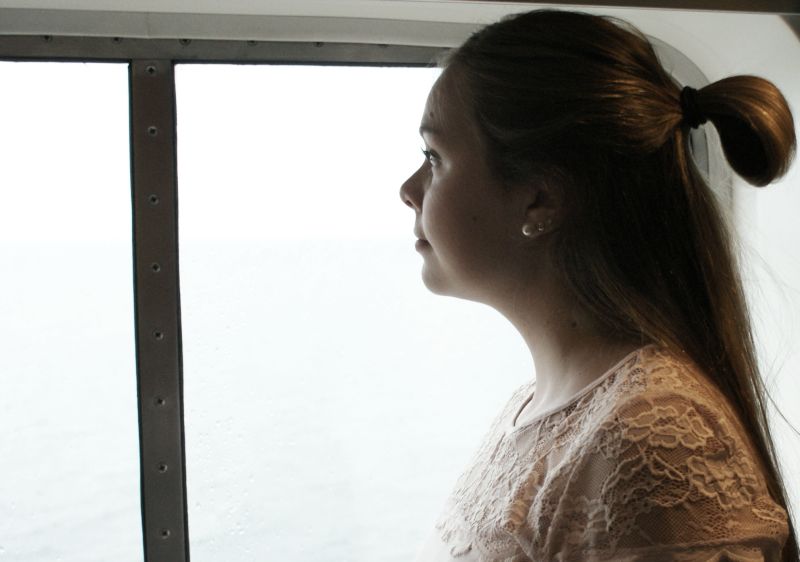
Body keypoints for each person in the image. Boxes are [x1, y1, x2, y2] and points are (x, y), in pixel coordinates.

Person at [399, 9, 797, 562]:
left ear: (540, 198)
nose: (408, 189)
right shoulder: (537, 408)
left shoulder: (654, 435)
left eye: (434, 158)